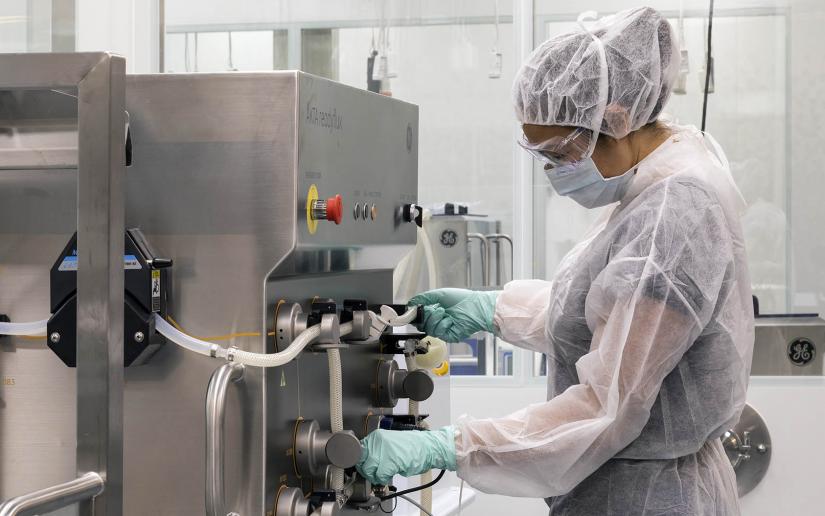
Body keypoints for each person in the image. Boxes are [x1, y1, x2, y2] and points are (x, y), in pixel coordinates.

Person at [357, 6, 754, 515]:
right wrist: (493, 311)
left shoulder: (673, 215)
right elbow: (614, 319)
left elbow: (607, 404)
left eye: (562, 154)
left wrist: (454, 447)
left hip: (647, 499)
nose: (554, 172)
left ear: (616, 119)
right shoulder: (652, 187)